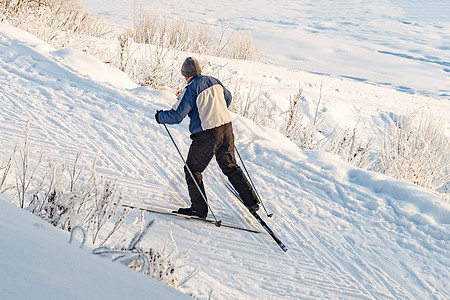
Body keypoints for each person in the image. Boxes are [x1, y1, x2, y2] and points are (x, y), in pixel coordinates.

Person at [155, 57, 259, 219]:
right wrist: (215, 109)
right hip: (226, 127)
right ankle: (252, 201)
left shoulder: (190, 89)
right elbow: (228, 98)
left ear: (185, 75)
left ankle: (199, 209)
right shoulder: (214, 81)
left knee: (192, 169)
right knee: (230, 166)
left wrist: (160, 117)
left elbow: (176, 116)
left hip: (207, 134)